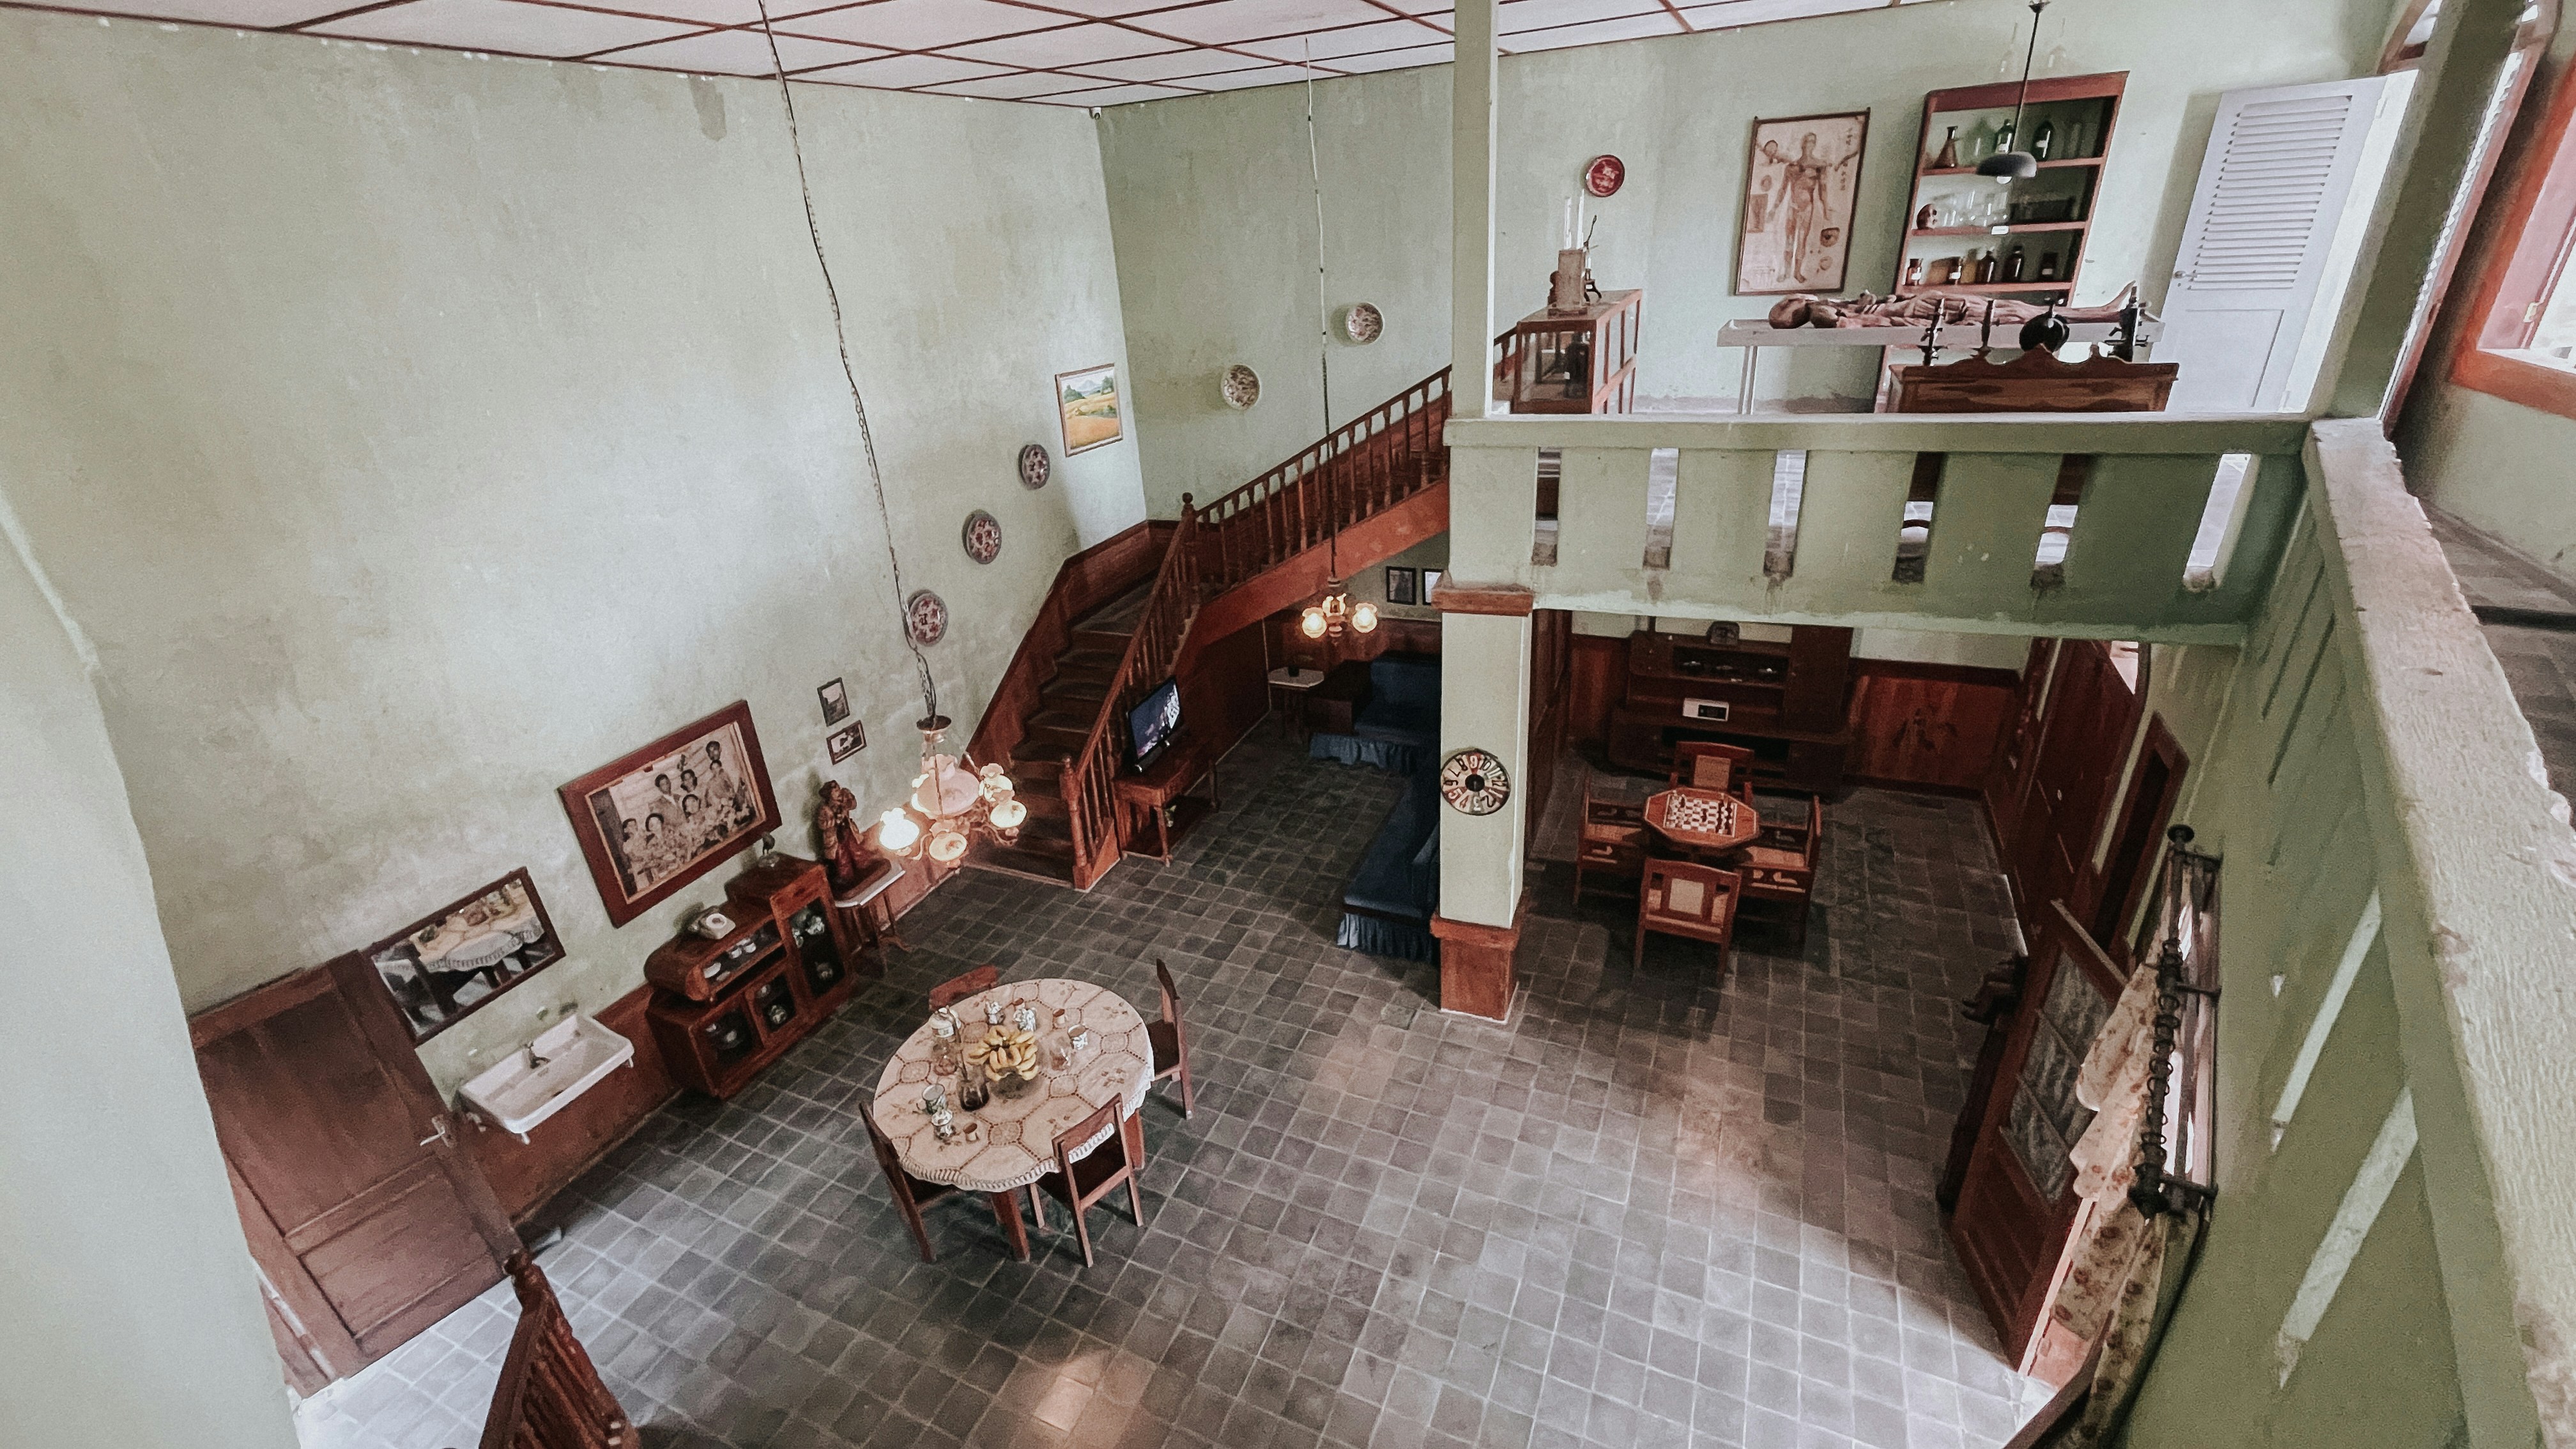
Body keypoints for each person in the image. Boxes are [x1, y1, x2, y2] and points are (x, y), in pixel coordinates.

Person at [1759, 129, 1862, 285]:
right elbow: (1783, 189)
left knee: (1802, 240)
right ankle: (1786, 271)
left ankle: (1797, 272)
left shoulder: (1818, 167)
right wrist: (1773, 210)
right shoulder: (1792, 167)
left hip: (1807, 207)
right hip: (1792, 206)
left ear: (1814, 145)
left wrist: (1827, 209)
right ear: (1802, 145)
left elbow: (1823, 190)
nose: (1809, 145)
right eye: (1807, 142)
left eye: (1812, 142)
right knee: (1789, 240)